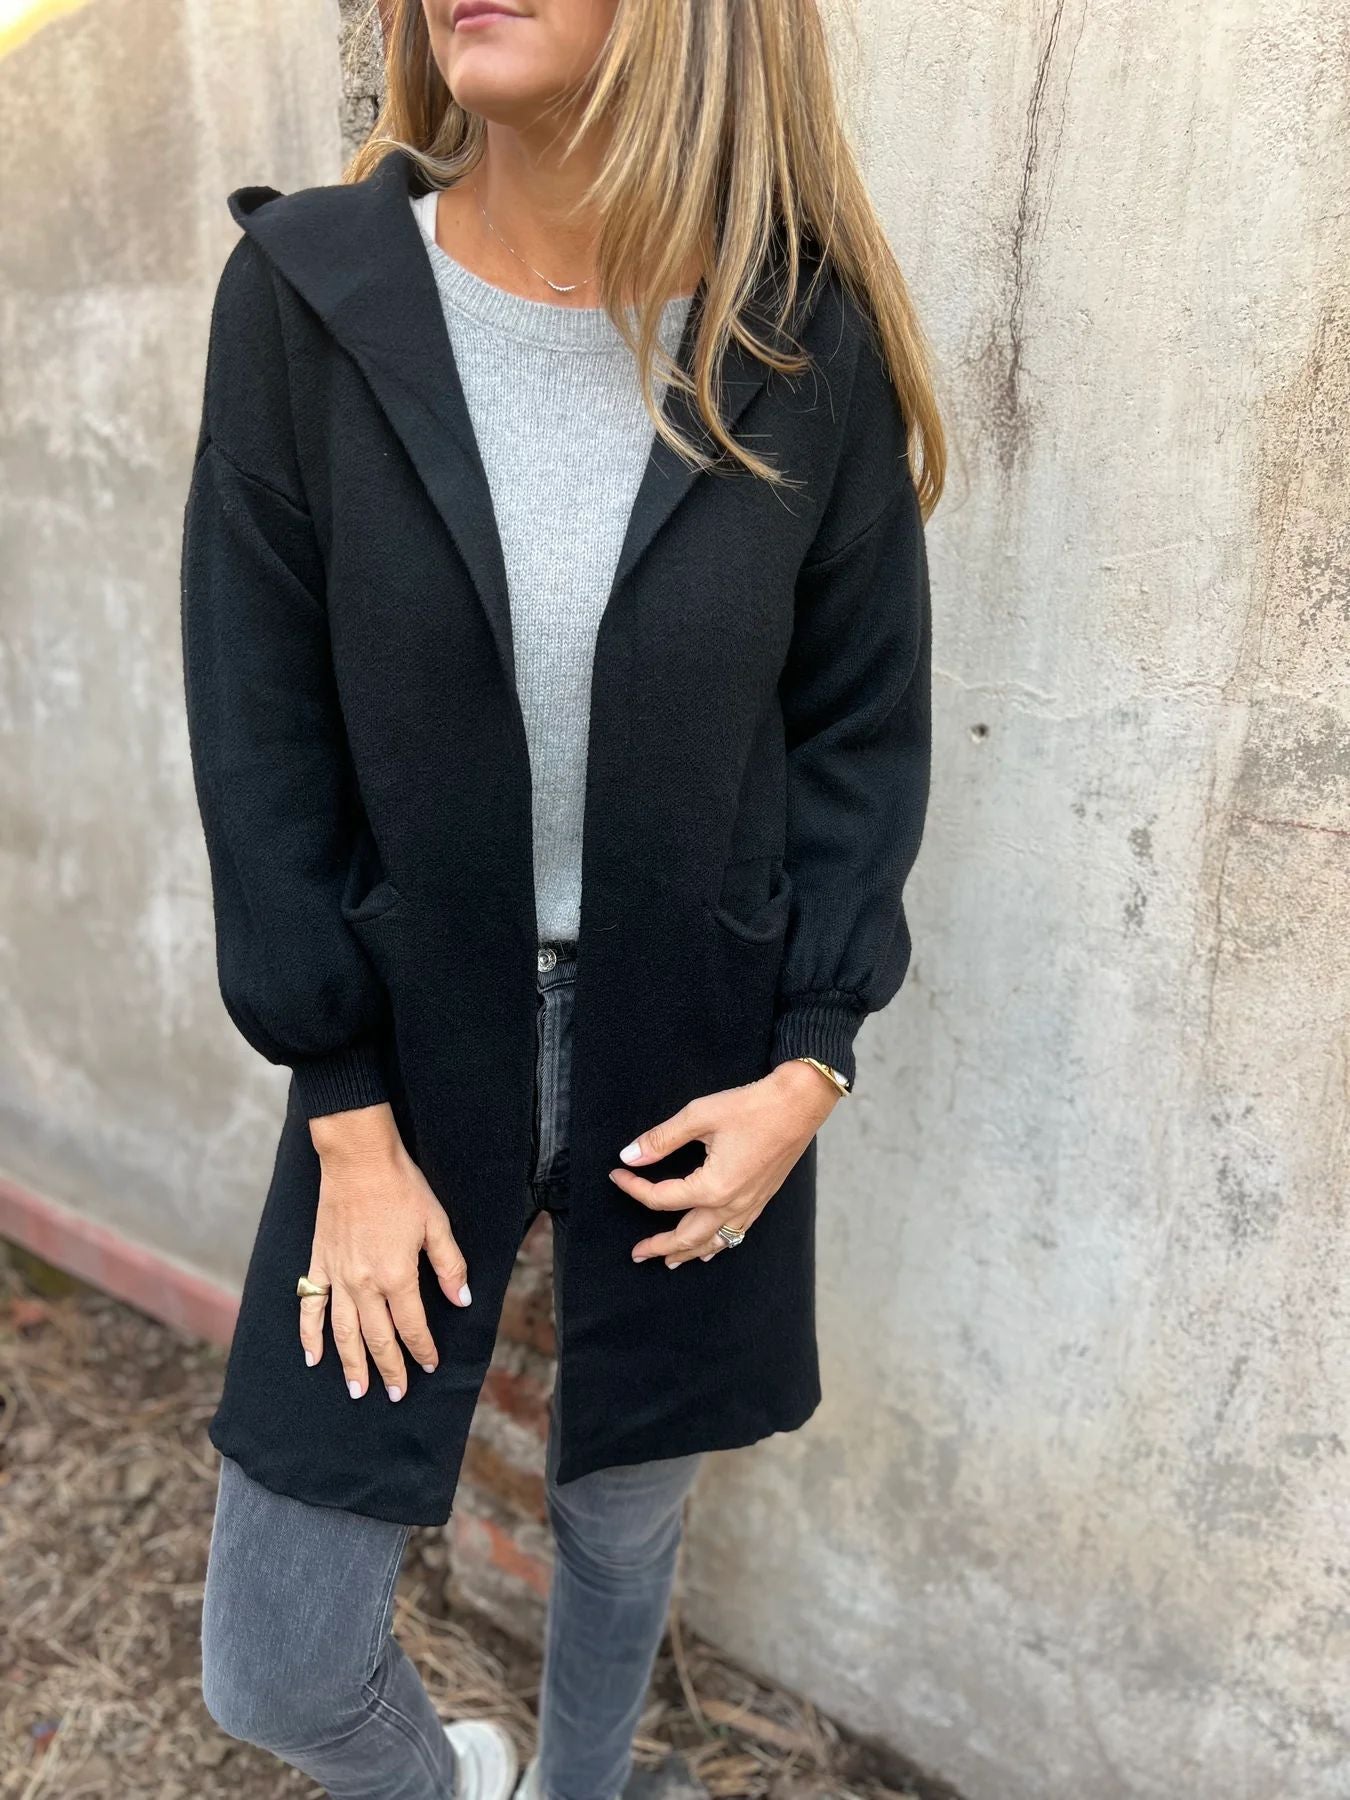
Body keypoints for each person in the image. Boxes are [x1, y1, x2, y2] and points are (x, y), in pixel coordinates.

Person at [183, 1, 942, 1795]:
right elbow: (260, 730)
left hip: (699, 1044)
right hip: (401, 1049)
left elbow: (858, 724)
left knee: (620, 1515)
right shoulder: (310, 299)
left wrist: (809, 1062)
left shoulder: (795, 339)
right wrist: (344, 1114)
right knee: (278, 1662)